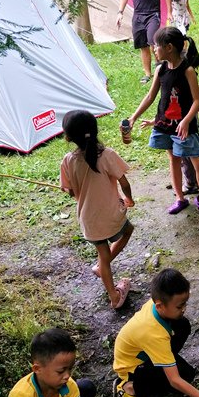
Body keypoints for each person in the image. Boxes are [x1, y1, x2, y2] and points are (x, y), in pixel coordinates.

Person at [111, 268, 199, 397]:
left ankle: (165, 361)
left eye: (185, 304)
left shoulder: (156, 305)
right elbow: (175, 380)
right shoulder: (153, 334)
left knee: (183, 325)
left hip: (145, 351)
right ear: (160, 305)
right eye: (179, 306)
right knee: (183, 376)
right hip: (132, 368)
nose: (184, 309)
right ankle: (128, 387)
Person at [128, 26, 199, 219]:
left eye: (156, 46)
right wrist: (134, 117)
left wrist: (185, 121)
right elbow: (151, 97)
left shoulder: (188, 71)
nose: (153, 49)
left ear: (168, 47)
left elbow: (197, 102)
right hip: (166, 125)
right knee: (173, 160)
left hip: (185, 126)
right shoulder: (160, 70)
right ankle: (180, 198)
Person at [60, 110, 135, 310]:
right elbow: (124, 183)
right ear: (94, 131)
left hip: (89, 220)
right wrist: (129, 198)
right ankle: (114, 296)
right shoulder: (107, 155)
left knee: (102, 252)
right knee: (127, 231)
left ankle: (103, 268)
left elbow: (70, 192)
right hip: (110, 215)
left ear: (68, 137)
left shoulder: (68, 160)